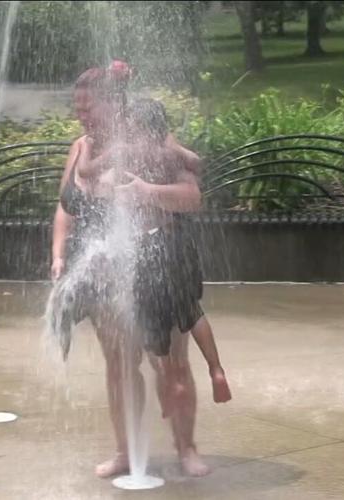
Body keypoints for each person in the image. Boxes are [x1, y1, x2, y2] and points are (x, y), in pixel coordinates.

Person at [48, 62, 211, 478]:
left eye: (90, 107)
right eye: (78, 107)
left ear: (114, 104)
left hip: (158, 259)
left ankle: (185, 447)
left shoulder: (149, 139)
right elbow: (65, 207)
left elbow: (191, 197)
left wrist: (146, 192)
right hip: (104, 266)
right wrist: (59, 254)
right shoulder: (79, 147)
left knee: (170, 362)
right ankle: (126, 451)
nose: (82, 115)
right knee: (120, 364)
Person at [78, 97, 232, 405]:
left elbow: (85, 172)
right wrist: (174, 148)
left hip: (149, 248)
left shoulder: (124, 153)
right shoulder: (169, 155)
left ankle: (166, 382)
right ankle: (216, 369)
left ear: (133, 128)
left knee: (151, 320)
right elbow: (197, 162)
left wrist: (87, 148)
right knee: (191, 312)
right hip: (175, 244)